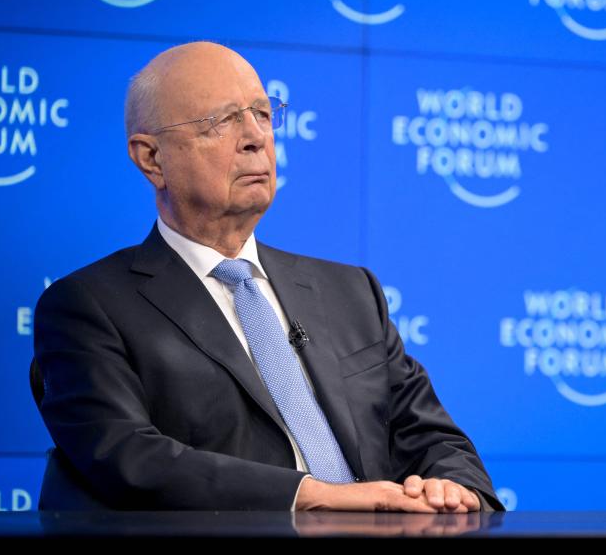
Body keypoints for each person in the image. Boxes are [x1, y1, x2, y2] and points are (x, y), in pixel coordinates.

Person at [32, 41, 503, 513]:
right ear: (152, 158)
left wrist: (453, 487)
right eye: (221, 121)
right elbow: (129, 457)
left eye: (262, 113)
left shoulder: (351, 291)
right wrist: (317, 497)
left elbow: (433, 436)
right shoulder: (88, 306)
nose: (256, 136)